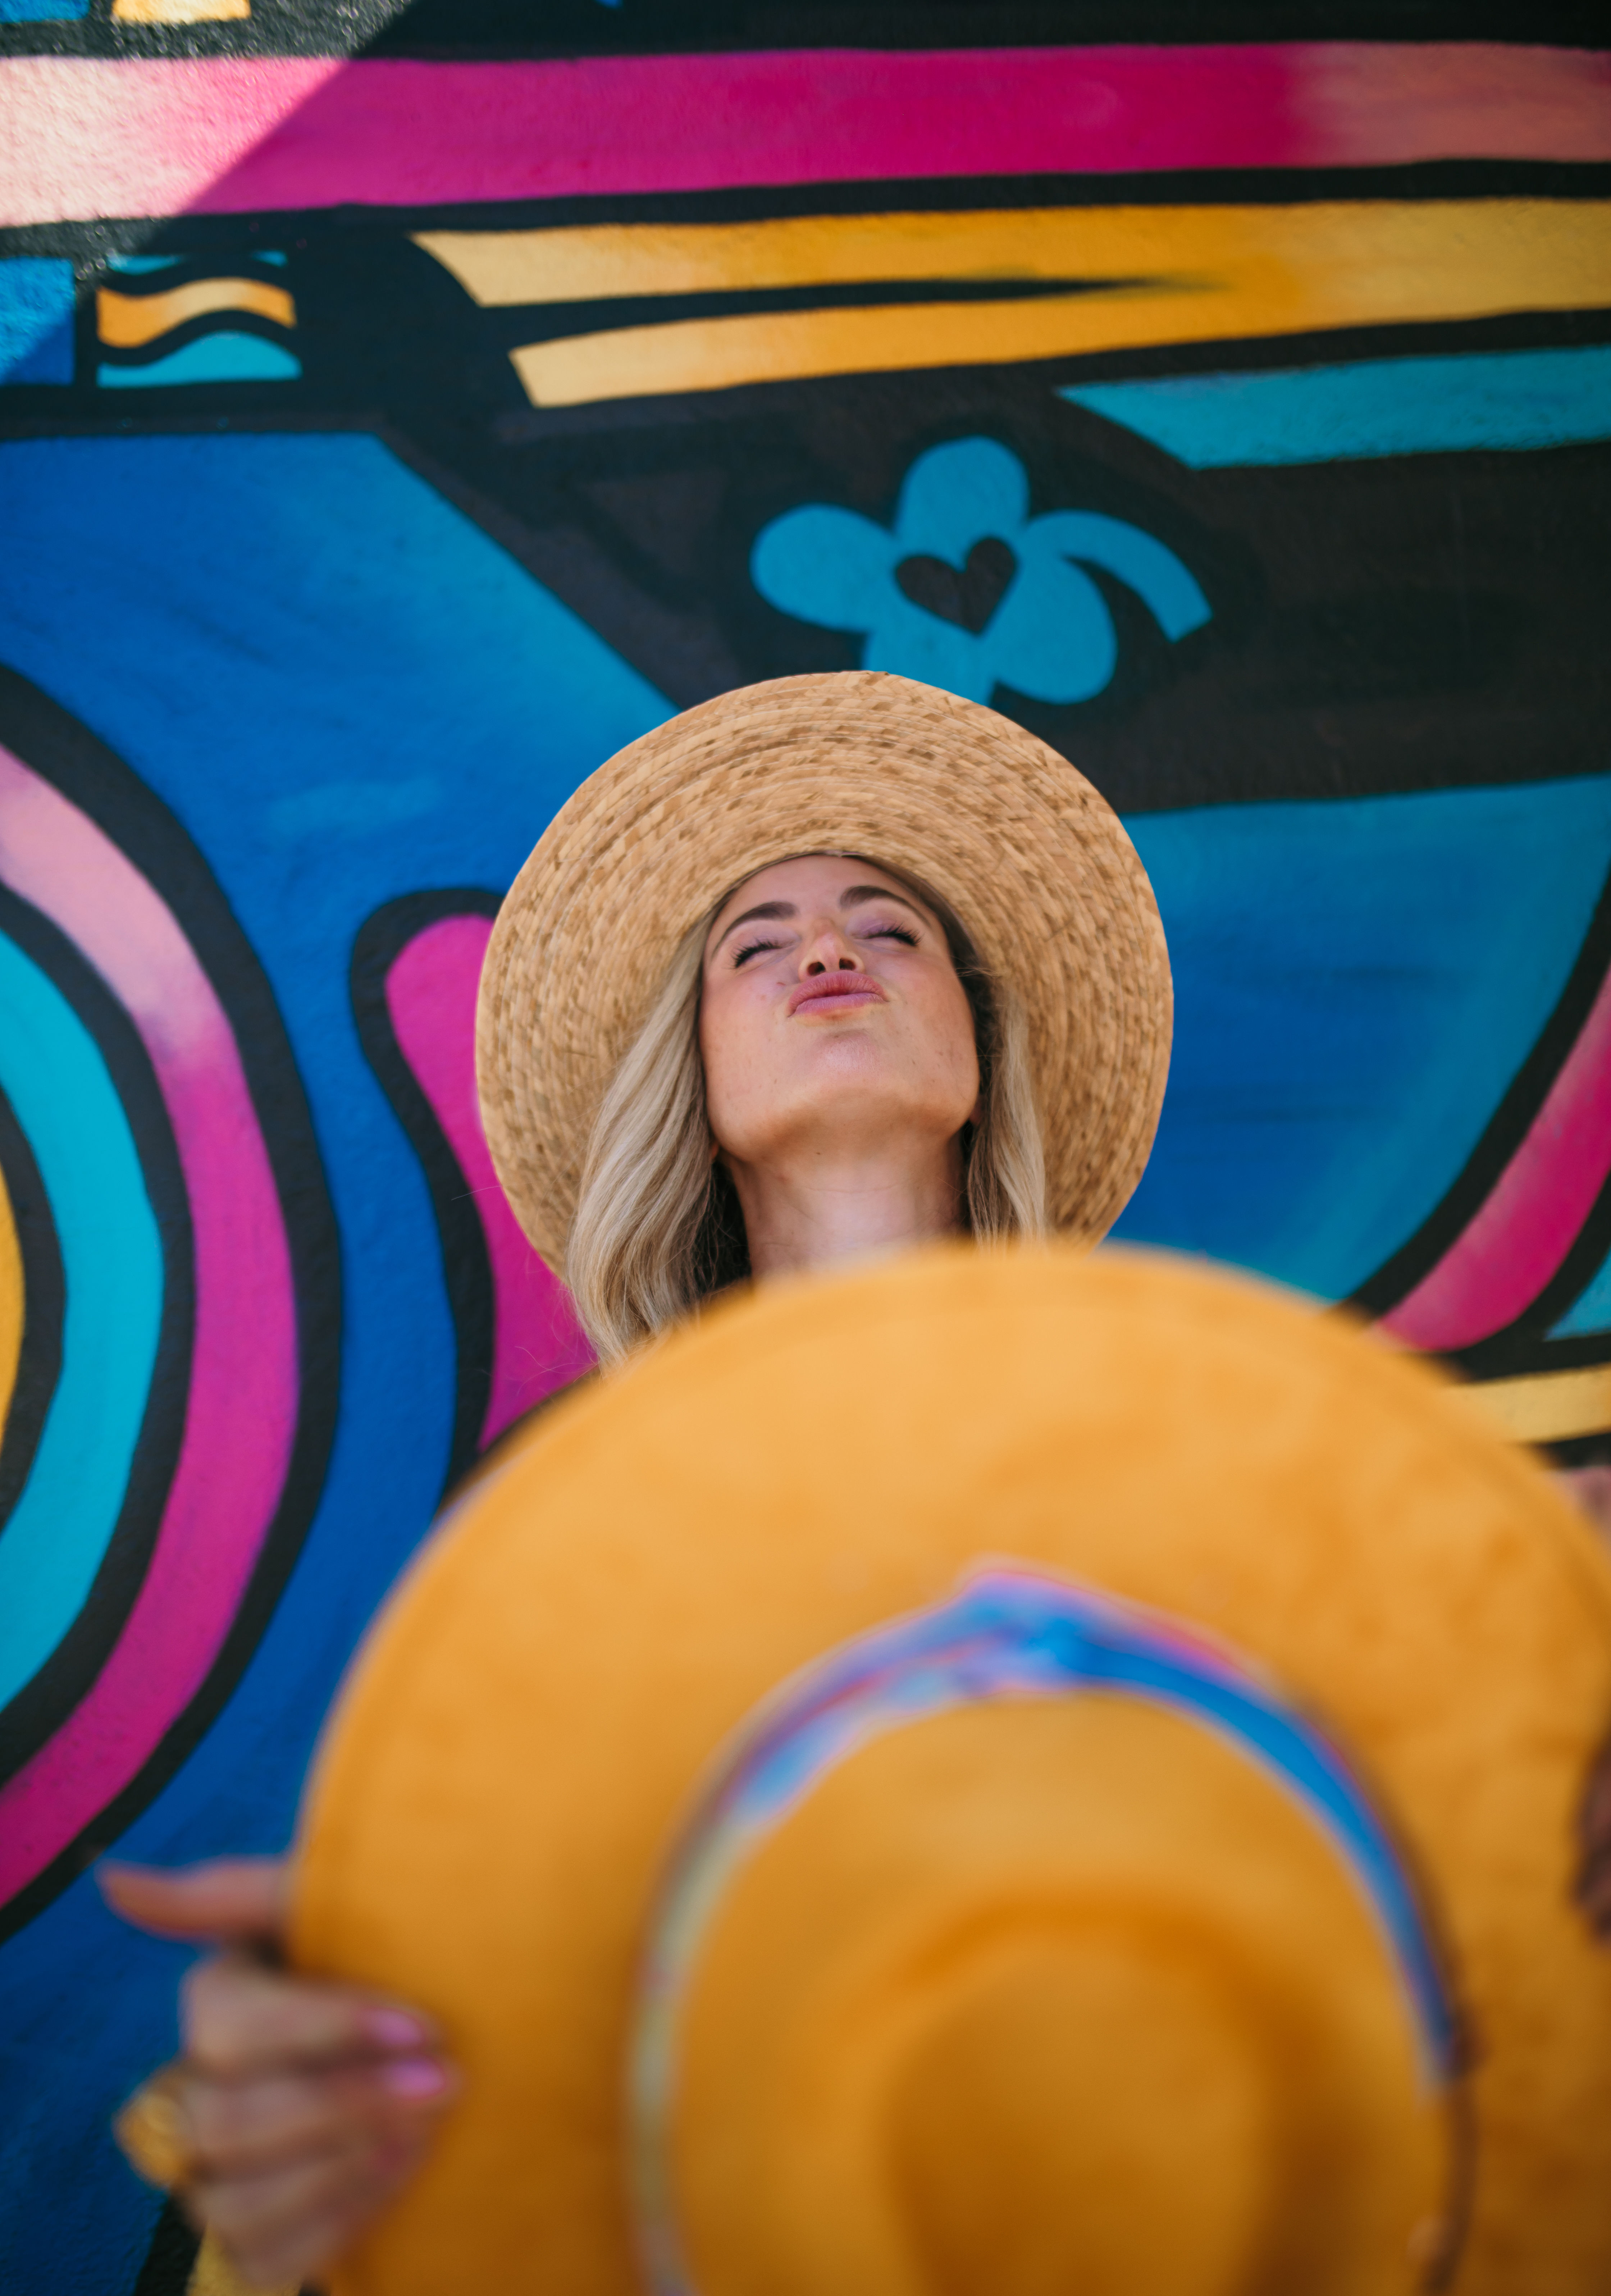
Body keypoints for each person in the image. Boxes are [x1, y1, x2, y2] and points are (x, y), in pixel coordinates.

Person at [100, 673, 1611, 2290]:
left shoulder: (1218, 1450)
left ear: (980, 1035)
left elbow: (1411, 1874)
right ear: (699, 1092)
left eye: (888, 927)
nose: (828, 952)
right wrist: (340, 2098)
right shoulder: (582, 1546)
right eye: (756, 947)